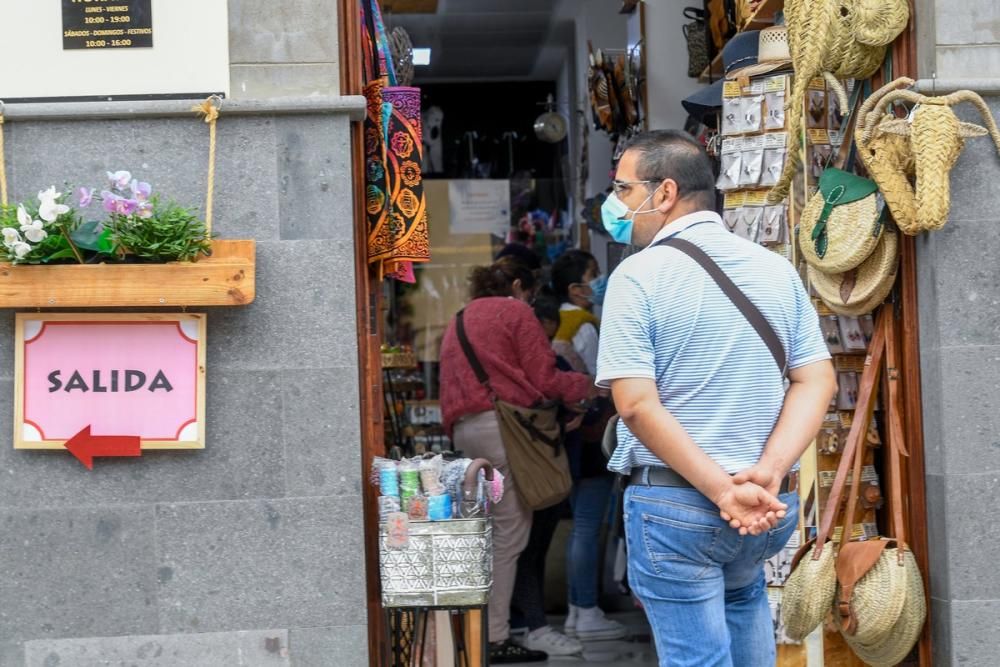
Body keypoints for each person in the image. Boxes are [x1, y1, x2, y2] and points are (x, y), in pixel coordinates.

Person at [595, 130, 837, 667]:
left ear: (664, 194)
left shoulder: (636, 276)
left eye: (623, 188)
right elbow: (817, 379)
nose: (616, 204)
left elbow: (634, 404)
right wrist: (769, 473)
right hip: (764, 510)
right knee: (748, 627)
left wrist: (722, 492)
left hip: (678, 507)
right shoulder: (775, 269)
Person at [439, 256, 596, 664]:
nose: (529, 301)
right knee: (510, 534)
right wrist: (593, 385)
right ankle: (495, 637)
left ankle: (482, 629)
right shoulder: (515, 312)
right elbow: (545, 379)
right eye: (529, 293)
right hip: (503, 430)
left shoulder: (459, 318)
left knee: (486, 530)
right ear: (518, 288)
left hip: (466, 431)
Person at [549, 250, 627, 642]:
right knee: (586, 526)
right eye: (593, 275)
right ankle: (585, 609)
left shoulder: (554, 324)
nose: (600, 281)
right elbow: (603, 380)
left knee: (579, 523)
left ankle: (579, 611)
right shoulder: (585, 326)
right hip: (594, 432)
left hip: (569, 435)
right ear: (576, 288)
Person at [508, 292, 585, 657]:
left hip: (545, 464)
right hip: (541, 466)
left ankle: (525, 623)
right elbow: (569, 390)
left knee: (530, 548)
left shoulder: (522, 363)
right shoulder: (539, 365)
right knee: (528, 548)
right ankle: (531, 624)